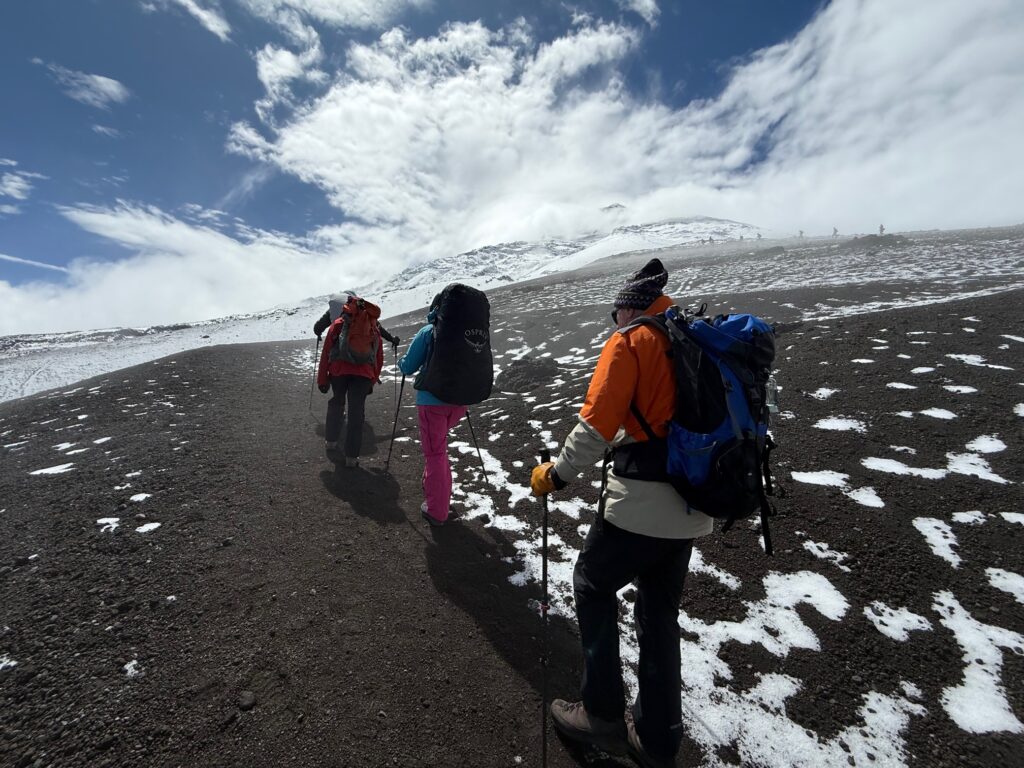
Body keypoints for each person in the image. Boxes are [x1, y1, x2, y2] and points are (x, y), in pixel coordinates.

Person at [531, 258, 713, 768]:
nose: (614, 322)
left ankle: (602, 713)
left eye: (616, 313)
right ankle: (658, 737)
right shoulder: (693, 337)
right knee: (658, 612)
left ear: (627, 307)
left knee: (592, 583)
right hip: (694, 501)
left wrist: (556, 475)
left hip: (638, 502)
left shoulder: (632, 341)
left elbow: (595, 426)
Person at [397, 294, 467, 527]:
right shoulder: (467, 330)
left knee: (435, 453)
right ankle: (438, 490)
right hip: (459, 401)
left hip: (432, 402)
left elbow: (408, 366)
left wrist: (401, 362)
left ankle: (437, 510)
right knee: (439, 448)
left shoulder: (429, 331)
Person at [315, 293, 390, 467]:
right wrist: (372, 380)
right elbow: (378, 357)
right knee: (356, 413)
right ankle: (351, 458)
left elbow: (326, 353)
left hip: (339, 372)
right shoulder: (372, 326)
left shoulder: (339, 324)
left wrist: (322, 380)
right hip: (363, 376)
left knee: (337, 403)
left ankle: (331, 442)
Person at [314, 292, 400, 351]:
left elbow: (318, 327)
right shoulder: (362, 310)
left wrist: (318, 333)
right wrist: (391, 339)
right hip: (362, 352)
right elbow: (378, 328)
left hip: (339, 351)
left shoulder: (334, 309)